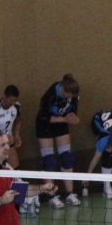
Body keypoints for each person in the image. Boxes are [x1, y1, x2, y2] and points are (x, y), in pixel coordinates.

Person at [34, 75, 81, 208]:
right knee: (49, 161)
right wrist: (65, 119)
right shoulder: (50, 95)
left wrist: (73, 118)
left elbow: (72, 111)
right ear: (64, 90)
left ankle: (69, 193)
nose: (71, 98)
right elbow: (44, 117)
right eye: (69, 96)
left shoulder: (73, 96)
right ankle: (51, 196)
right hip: (45, 126)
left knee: (67, 158)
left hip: (61, 125)